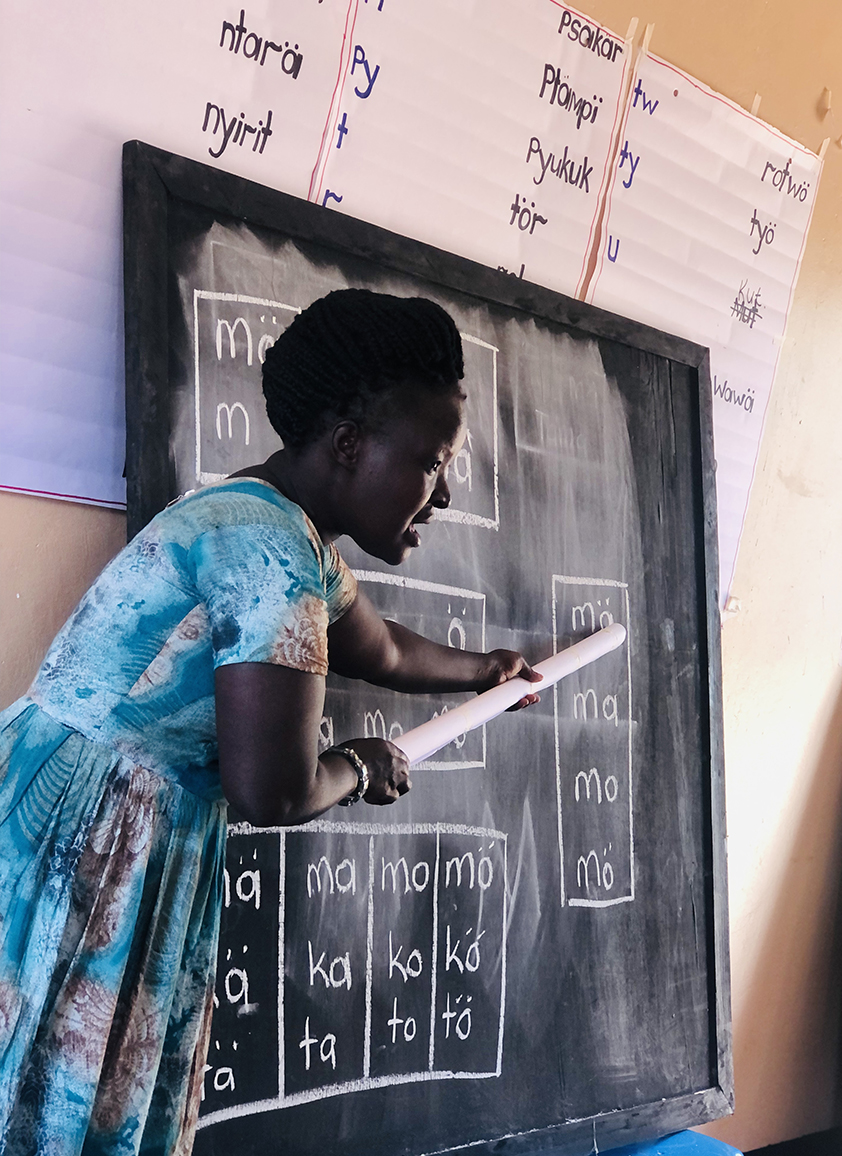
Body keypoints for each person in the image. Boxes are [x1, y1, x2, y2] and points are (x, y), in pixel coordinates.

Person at [0, 288, 540, 1155]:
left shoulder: (274, 524)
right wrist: (362, 765)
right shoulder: (271, 556)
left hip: (74, 801)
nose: (440, 495)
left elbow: (383, 653)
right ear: (351, 445)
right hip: (92, 841)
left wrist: (485, 669)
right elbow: (274, 790)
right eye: (433, 462)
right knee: (52, 1106)